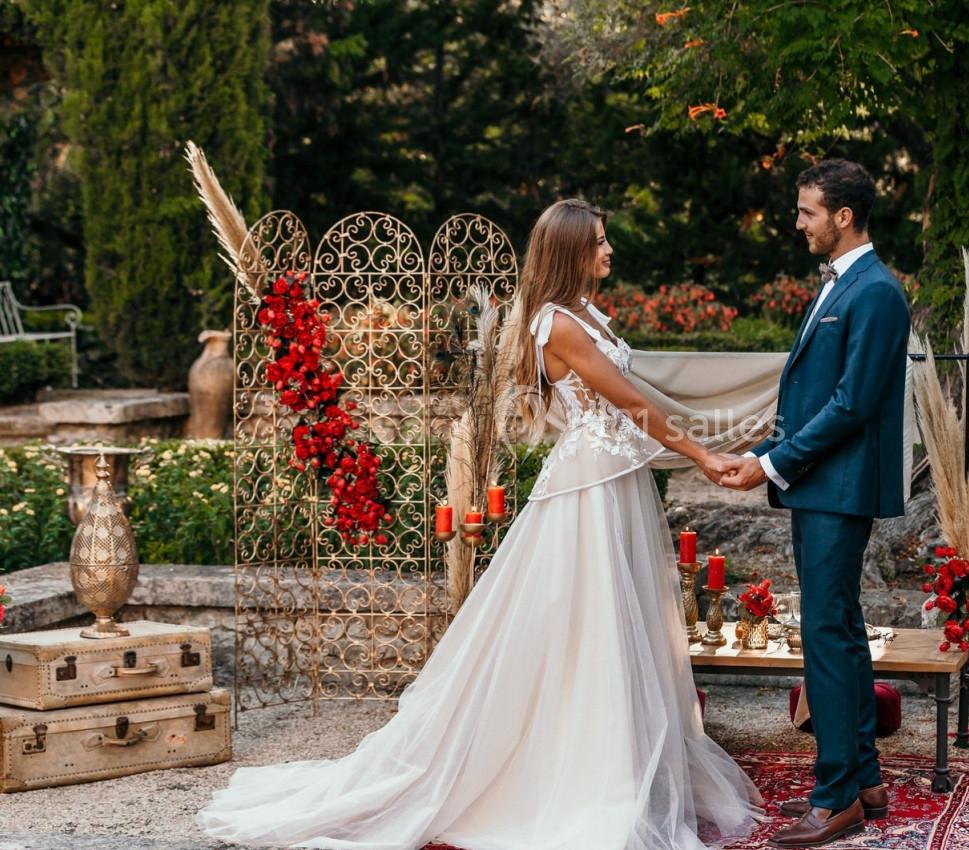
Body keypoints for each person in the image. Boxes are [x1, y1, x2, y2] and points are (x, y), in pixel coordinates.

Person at [196, 199, 763, 850]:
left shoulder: (584, 312)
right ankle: (583, 773)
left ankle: (617, 759)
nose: (610, 251)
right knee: (587, 615)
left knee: (611, 617)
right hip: (589, 486)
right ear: (571, 250)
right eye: (600, 242)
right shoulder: (558, 323)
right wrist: (702, 455)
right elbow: (630, 401)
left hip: (614, 477)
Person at [720, 160, 911, 848]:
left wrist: (772, 463)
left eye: (807, 212)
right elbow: (813, 398)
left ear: (844, 216)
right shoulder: (841, 284)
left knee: (827, 638)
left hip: (840, 488)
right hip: (821, 485)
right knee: (842, 630)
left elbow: (852, 405)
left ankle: (834, 798)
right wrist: (764, 452)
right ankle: (865, 780)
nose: (797, 223)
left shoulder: (876, 292)